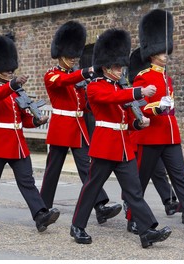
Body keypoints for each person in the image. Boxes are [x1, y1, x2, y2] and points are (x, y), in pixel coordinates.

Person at [70, 28, 172, 248]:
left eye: (120, 66)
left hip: (124, 146)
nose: (120, 69)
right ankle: (77, 226)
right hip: (105, 145)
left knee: (134, 191)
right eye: (117, 66)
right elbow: (112, 98)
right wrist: (139, 92)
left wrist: (138, 122)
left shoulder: (121, 86)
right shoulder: (95, 88)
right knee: (92, 188)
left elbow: (126, 116)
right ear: (106, 67)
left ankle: (147, 231)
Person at [130, 9, 184, 235]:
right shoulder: (143, 77)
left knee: (181, 179)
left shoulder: (166, 77)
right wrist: (156, 107)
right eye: (161, 51)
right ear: (151, 54)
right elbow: (141, 106)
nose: (165, 54)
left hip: (170, 134)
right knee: (140, 180)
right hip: (151, 136)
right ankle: (132, 215)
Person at [0, 34, 60, 232]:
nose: (10, 72)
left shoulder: (15, 92)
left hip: (17, 144)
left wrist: (36, 121)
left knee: (27, 181)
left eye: (11, 69)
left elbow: (22, 119)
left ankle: (40, 215)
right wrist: (13, 84)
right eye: (6, 69)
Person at [40, 21, 122, 224]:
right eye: (68, 57)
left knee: (88, 167)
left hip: (79, 128)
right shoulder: (52, 74)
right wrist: (84, 73)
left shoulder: (74, 77)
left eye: (73, 56)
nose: (71, 60)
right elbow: (61, 82)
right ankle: (42, 208)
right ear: (60, 55)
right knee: (53, 170)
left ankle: (100, 205)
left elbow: (83, 103)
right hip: (61, 127)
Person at [124, 49, 179, 234]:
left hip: (153, 134)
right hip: (140, 136)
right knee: (138, 180)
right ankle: (132, 214)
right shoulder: (137, 83)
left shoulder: (162, 79)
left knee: (157, 172)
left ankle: (168, 200)